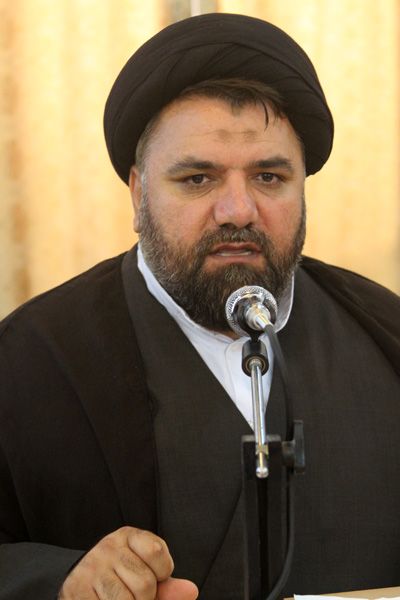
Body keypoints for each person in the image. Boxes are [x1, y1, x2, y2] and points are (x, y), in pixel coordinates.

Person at [1, 12, 400, 600]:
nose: (238, 210)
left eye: (269, 177)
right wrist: (57, 579)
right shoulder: (29, 361)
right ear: (138, 192)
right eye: (197, 179)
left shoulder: (384, 335)